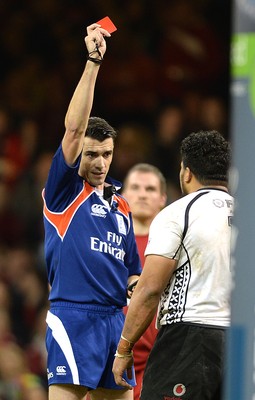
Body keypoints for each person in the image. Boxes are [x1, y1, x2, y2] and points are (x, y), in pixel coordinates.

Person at [42, 22, 142, 400]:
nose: (100, 163)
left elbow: (131, 270)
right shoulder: (63, 192)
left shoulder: (122, 205)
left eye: (107, 154)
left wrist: (143, 289)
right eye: (91, 154)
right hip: (73, 317)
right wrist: (93, 62)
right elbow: (72, 131)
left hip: (116, 323)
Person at [113, 130, 233, 400]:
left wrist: (124, 349)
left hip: (189, 340)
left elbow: (150, 290)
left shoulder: (179, 213)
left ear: (187, 172)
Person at [122, 163, 167, 400]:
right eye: (135, 187)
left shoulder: (173, 246)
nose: (141, 194)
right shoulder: (108, 242)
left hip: (159, 359)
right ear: (124, 195)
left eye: (150, 189)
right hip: (112, 357)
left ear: (162, 198)